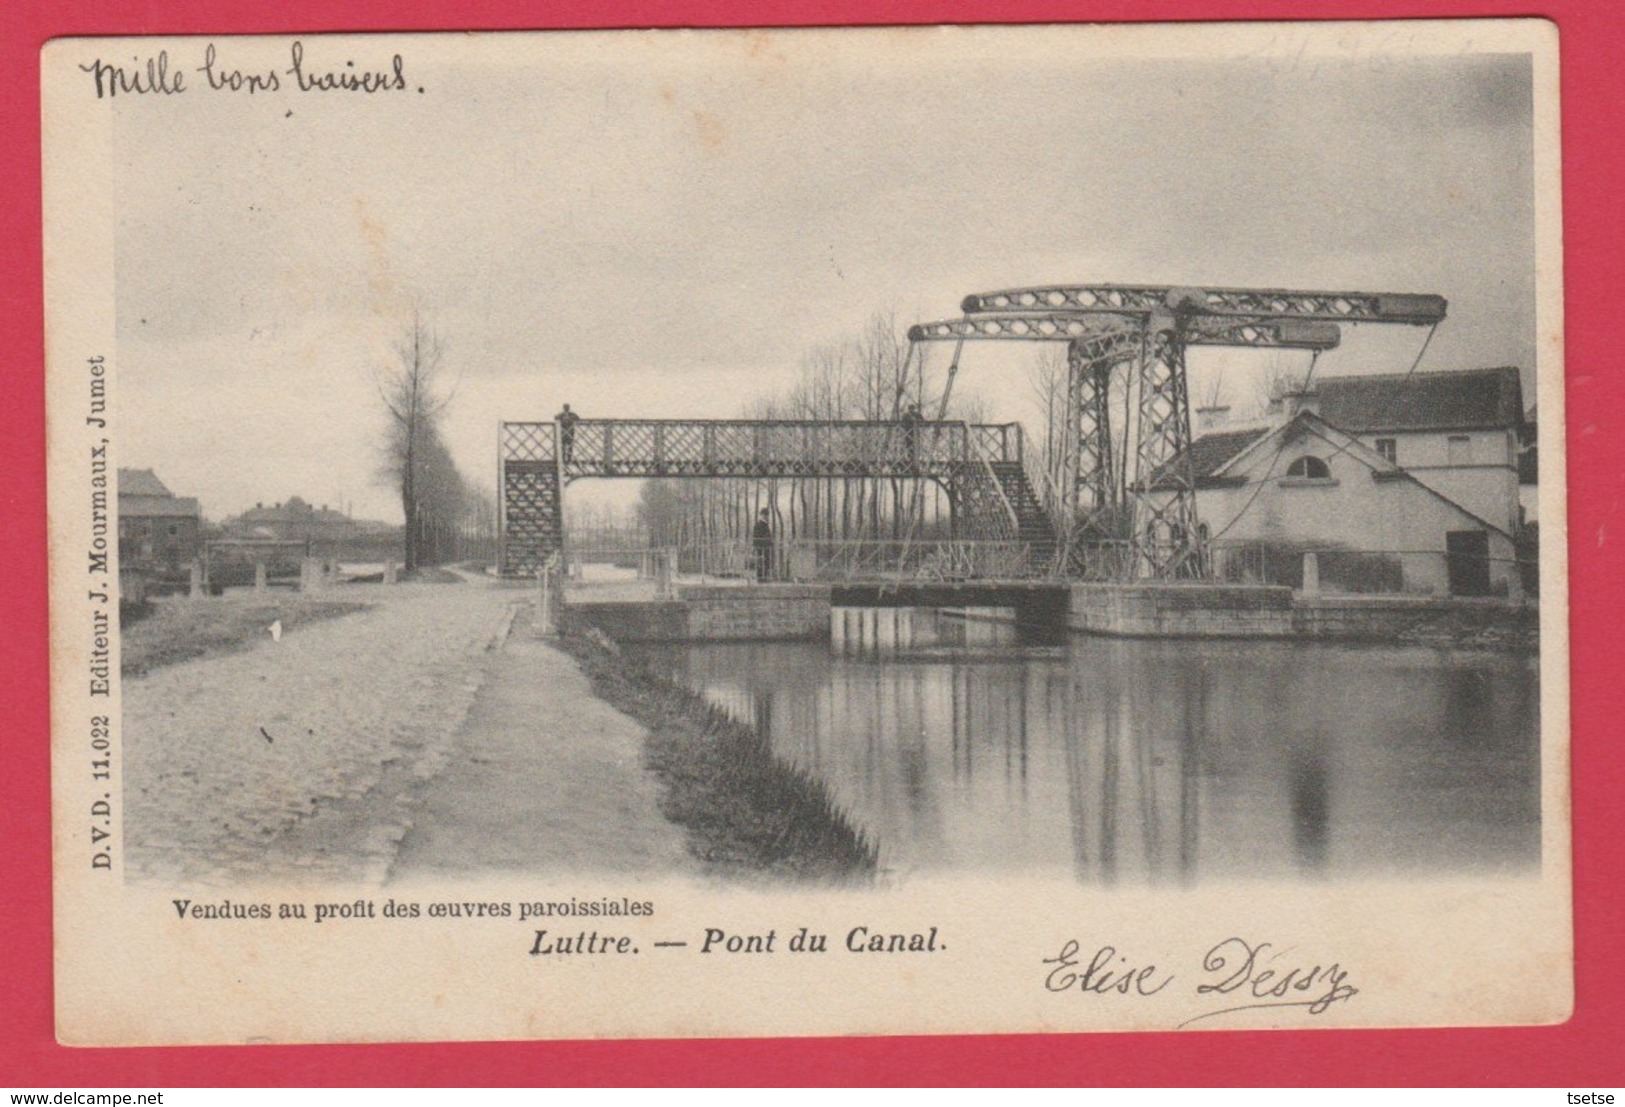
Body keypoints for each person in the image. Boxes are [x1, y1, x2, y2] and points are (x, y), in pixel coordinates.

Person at [751, 507, 774, 583]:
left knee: (765, 563)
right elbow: (756, 537)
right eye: (764, 515)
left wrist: (770, 544)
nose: (766, 516)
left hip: (766, 548)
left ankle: (763, 578)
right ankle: (761, 579)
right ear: (761, 515)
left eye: (767, 515)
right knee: (761, 563)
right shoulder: (759, 525)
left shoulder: (765, 525)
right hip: (761, 548)